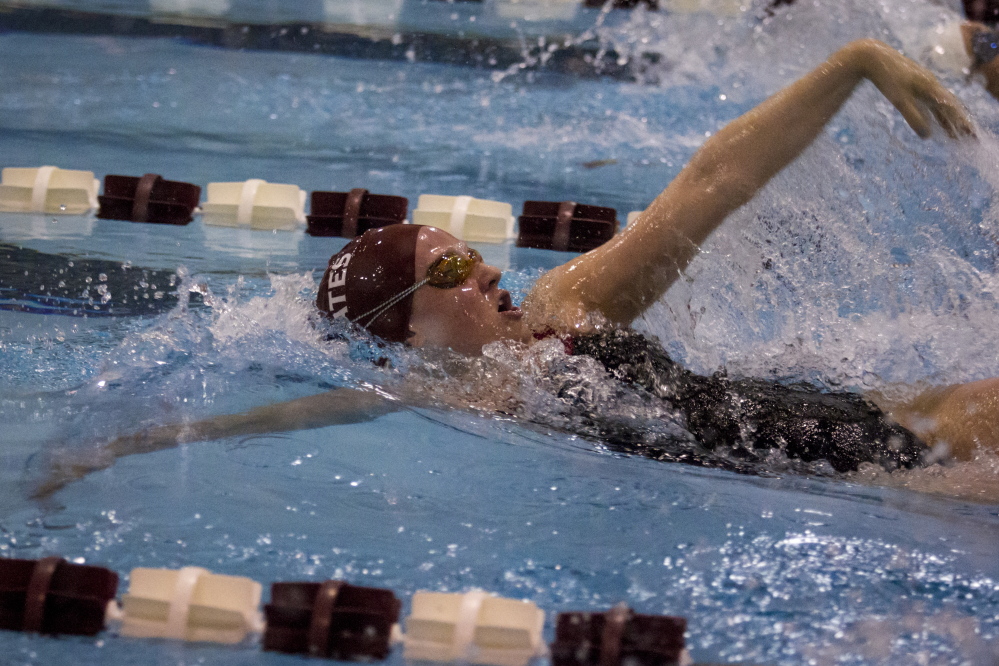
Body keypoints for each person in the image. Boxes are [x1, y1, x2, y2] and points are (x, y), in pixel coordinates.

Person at [36, 39, 999, 498]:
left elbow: (713, 181)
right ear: (410, 328)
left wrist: (852, 65)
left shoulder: (565, 305)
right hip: (877, 487)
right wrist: (123, 447)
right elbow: (294, 411)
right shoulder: (470, 398)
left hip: (865, 417)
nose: (485, 265)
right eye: (450, 266)